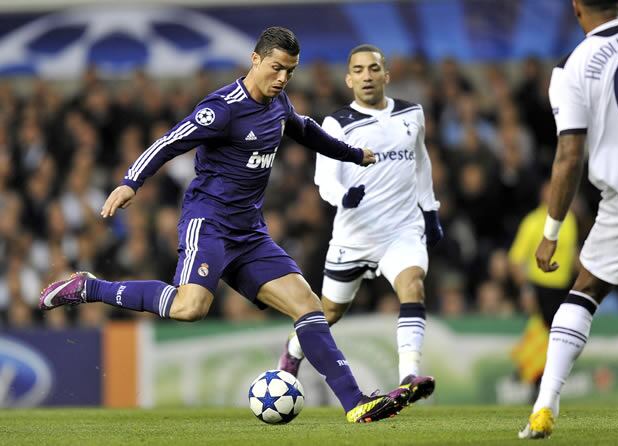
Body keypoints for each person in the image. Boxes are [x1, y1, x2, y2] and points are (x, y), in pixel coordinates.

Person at [39, 27, 411, 423]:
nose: (282, 78)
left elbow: (307, 131)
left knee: (308, 306)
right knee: (189, 307)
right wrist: (131, 182)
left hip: (250, 233)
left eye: (290, 71)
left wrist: (355, 155)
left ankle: (355, 402)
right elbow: (169, 141)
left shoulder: (278, 103)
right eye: (276, 68)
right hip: (210, 224)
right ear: (255, 59)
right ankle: (89, 286)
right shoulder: (222, 109)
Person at [519, 0, 618, 439]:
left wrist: (551, 232)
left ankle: (544, 405)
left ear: (576, 7)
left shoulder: (571, 67)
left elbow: (569, 157)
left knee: (584, 292)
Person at [277, 44, 443, 404]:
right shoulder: (337, 123)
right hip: (355, 236)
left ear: (387, 75)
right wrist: (343, 197)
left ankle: (408, 375)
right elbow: (324, 179)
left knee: (412, 285)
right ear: (349, 79)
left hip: (402, 230)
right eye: (359, 70)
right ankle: (292, 350)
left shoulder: (412, 113)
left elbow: (421, 163)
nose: (367, 76)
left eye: (373, 68)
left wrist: (430, 211)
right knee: (329, 313)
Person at [509, 181, 578, 391]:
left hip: (563, 289)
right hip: (539, 288)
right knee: (541, 336)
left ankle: (545, 382)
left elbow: (573, 254)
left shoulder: (571, 220)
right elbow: (516, 260)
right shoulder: (532, 222)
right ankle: (534, 380)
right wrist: (526, 290)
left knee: (559, 337)